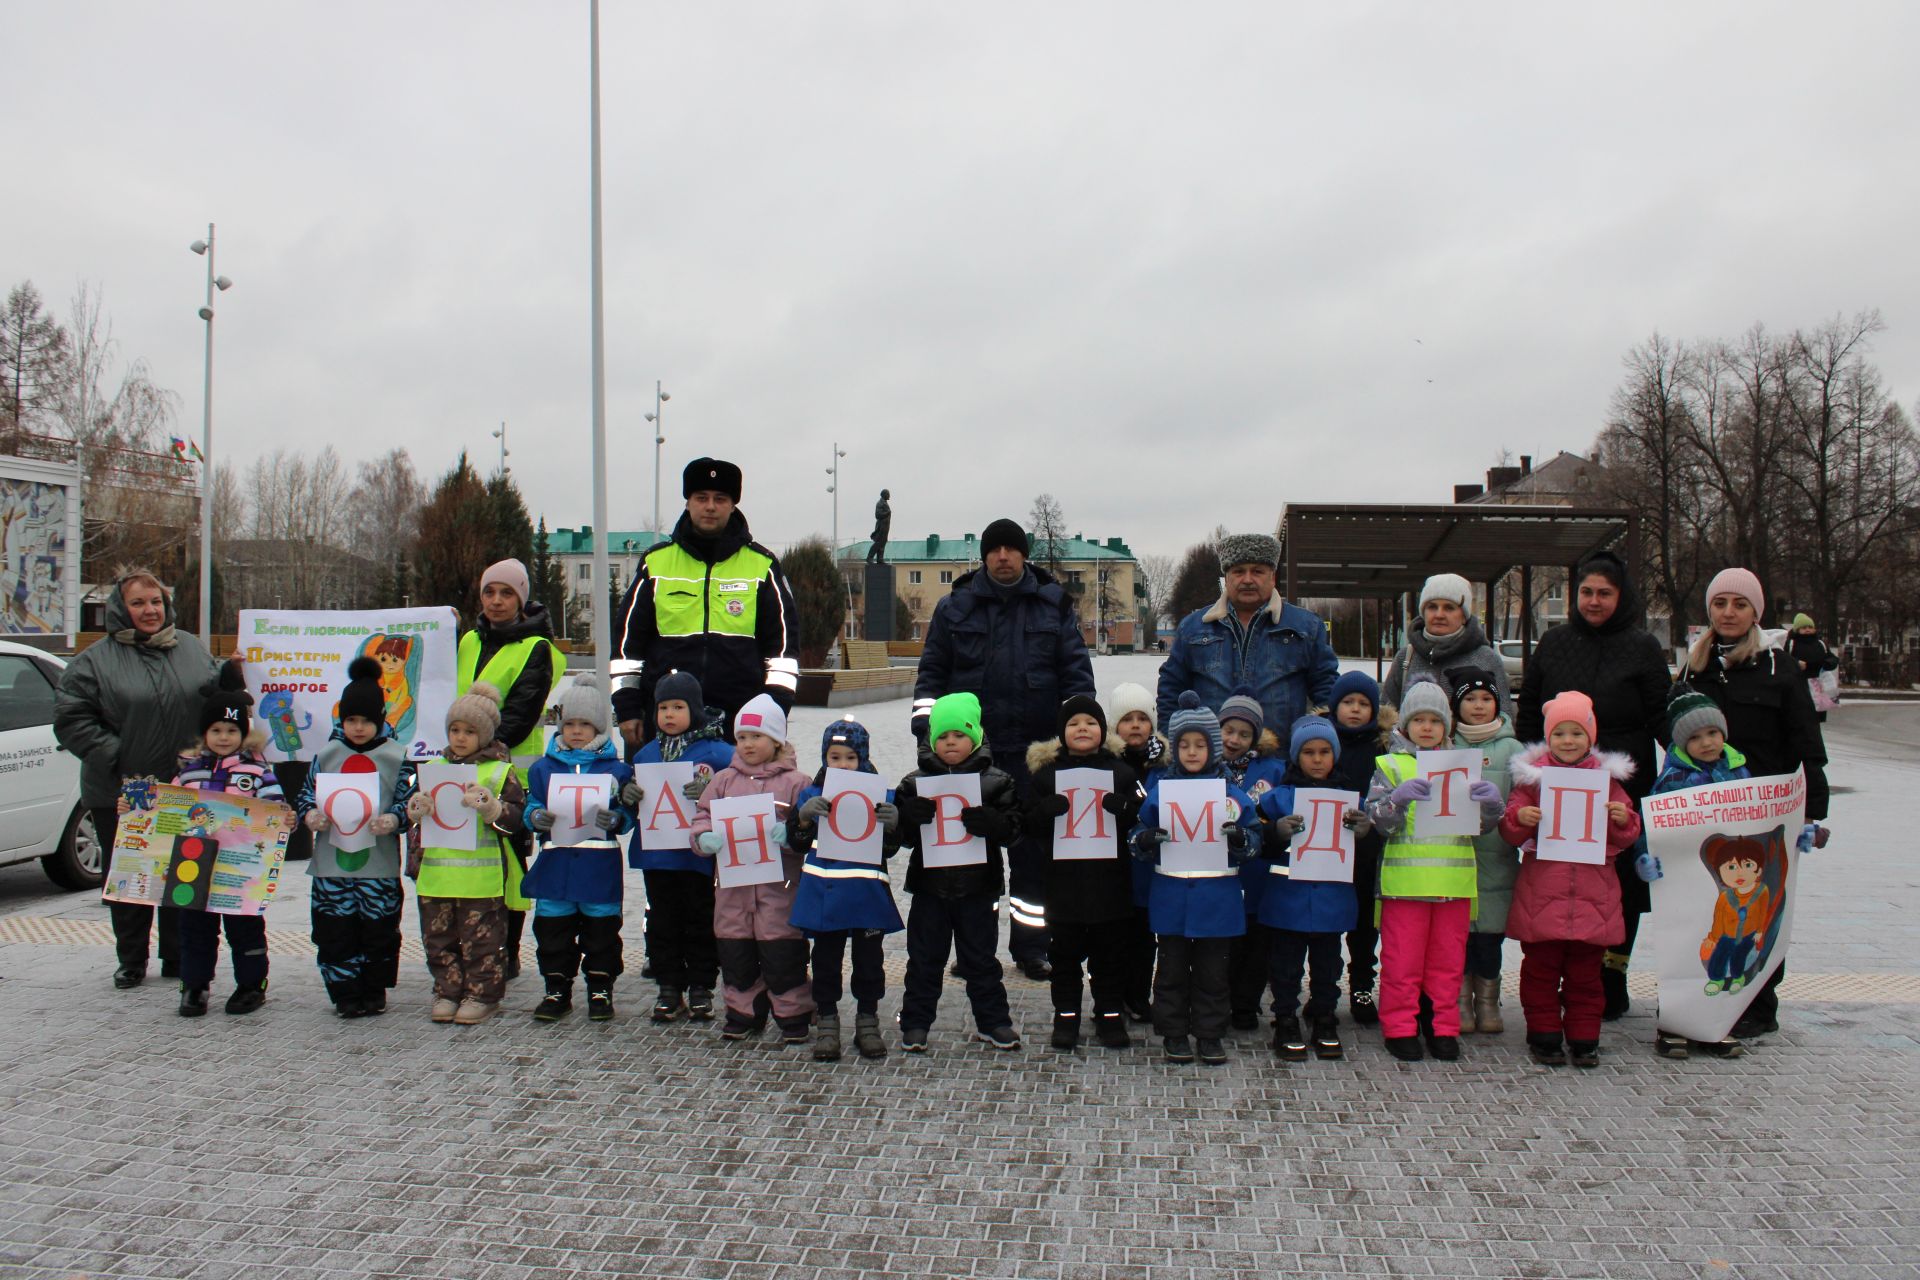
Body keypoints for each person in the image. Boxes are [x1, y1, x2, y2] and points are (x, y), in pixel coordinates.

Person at [913, 517, 1095, 980]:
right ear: (985, 557)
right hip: (973, 758)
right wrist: (925, 733)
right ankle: (977, 949)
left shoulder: (1053, 605)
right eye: (995, 549)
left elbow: (1076, 675)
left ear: (1024, 554)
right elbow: (932, 672)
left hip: (1036, 754)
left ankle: (1032, 947)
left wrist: (1078, 733)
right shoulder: (955, 608)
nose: (1003, 557)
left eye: (1012, 549)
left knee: (1033, 856)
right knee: (975, 857)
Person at [1671, 567, 1830, 1040]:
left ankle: (1759, 1004)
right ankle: (1706, 990)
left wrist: (1814, 809)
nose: (1729, 612)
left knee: (1763, 906)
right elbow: (1673, 733)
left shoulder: (1778, 668)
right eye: (1720, 603)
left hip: (1766, 810)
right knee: (1711, 908)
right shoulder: (1693, 667)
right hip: (1707, 811)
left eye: (1739, 604)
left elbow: (1807, 741)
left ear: (1755, 613)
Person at [1514, 549, 1671, 1020]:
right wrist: (1528, 767)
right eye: (1586, 592)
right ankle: (1559, 973)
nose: (1594, 601)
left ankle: (1611, 974)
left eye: (1605, 593)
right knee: (1561, 877)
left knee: (1619, 880)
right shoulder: (1555, 642)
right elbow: (1529, 710)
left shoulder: (1642, 646)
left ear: (1620, 597)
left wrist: (1696, 760)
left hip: (1621, 779)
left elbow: (1661, 711)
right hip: (1559, 782)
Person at [54, 568, 222, 988]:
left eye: (155, 602)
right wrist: (116, 755)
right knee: (129, 876)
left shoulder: (190, 648)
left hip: (183, 787)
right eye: (138, 603)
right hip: (120, 789)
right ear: (119, 609)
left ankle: (177, 955)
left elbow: (214, 700)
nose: (149, 611)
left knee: (181, 870)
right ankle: (131, 959)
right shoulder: (94, 661)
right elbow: (71, 718)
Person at [1499, 691, 1643, 1068]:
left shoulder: (1607, 781)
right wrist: (1521, 819)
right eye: (1559, 733)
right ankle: (1544, 1033)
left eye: (1576, 733)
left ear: (1591, 737)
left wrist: (1623, 820)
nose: (1567, 741)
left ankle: (1584, 1036)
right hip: (1543, 894)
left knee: (1586, 976)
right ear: (1548, 737)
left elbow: (1627, 834)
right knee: (1540, 972)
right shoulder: (1533, 780)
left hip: (1594, 897)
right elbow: (1510, 825)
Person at [613, 457, 801, 744]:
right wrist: (627, 707)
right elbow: (628, 646)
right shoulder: (656, 562)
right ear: (688, 502)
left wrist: (772, 711)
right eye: (701, 498)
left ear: (732, 505)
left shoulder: (762, 565)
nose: (710, 506)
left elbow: (783, 652)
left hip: (740, 724)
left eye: (720, 498)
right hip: (665, 718)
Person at [1364, 679, 1505, 1062]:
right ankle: (1400, 1028)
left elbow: (1481, 827)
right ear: (1405, 725)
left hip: (1453, 887)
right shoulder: (1389, 765)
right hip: (1404, 888)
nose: (1427, 728)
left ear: (1448, 726)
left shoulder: (1461, 767)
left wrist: (1492, 806)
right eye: (1419, 720)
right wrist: (1395, 800)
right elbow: (1377, 822)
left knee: (1447, 966)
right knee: (1402, 963)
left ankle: (1443, 1028)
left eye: (1435, 720)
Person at [151, 661, 286, 1017]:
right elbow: (166, 810)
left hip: (240, 869)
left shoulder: (257, 771)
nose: (224, 737)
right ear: (204, 732)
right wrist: (136, 810)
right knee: (194, 930)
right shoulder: (188, 769)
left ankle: (251, 985)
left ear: (243, 733)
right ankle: (194, 986)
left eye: (231, 729)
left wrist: (285, 816)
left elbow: (276, 809)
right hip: (193, 866)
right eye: (216, 729)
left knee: (245, 929)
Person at [1131, 692, 1260, 1067]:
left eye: (1199, 744)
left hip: (1216, 904)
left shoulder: (1232, 797)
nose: (1190, 752)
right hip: (1172, 900)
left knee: (1213, 975)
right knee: (1170, 971)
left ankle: (1209, 1033)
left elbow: (1253, 840)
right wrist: (1144, 840)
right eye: (1183, 744)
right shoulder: (1159, 793)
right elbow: (1138, 834)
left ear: (1213, 749)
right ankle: (1173, 1032)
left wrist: (1240, 840)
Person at [892, 692, 1023, 1053]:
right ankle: (916, 1022)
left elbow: (1014, 830)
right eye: (943, 736)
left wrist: (993, 823)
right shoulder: (913, 784)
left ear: (976, 737)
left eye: (960, 735)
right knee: (924, 959)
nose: (951, 742)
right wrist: (908, 819)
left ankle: (994, 1021)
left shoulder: (997, 781)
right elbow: (897, 839)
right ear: (932, 740)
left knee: (981, 960)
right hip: (930, 889)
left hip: (977, 889)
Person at [456, 558, 566, 981]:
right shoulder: (467, 640)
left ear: (522, 599)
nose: (497, 601)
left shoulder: (537, 649)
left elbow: (519, 715)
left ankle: (507, 949)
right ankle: (470, 941)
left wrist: (467, 740)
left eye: (507, 593)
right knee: (466, 859)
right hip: (461, 766)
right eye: (489, 592)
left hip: (511, 772)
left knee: (509, 863)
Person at [688, 694, 813, 1044]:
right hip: (732, 893)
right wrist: (703, 838)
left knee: (783, 957)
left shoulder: (797, 783)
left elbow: (808, 829)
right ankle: (744, 1012)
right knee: (736, 956)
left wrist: (790, 835)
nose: (747, 744)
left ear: (775, 740)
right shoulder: (723, 781)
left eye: (756, 737)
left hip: (780, 893)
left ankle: (793, 1014)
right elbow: (702, 817)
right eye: (741, 737)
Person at [293, 657, 413, 1018]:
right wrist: (310, 814)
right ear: (341, 720)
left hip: (378, 867)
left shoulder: (397, 757)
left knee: (378, 929)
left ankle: (374, 988)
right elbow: (305, 795)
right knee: (335, 931)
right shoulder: (327, 755)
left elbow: (412, 801)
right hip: (332, 867)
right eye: (351, 720)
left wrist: (394, 819)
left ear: (380, 720)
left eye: (366, 721)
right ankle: (344, 990)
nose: (358, 728)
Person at [1021, 695, 1141, 1052]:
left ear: (1103, 732)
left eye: (1090, 723)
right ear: (1061, 733)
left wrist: (1125, 809)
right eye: (1073, 724)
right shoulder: (1046, 776)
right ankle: (1067, 1015)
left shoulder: (1121, 772)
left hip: (1110, 883)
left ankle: (1109, 1014)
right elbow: (1027, 823)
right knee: (1065, 956)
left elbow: (1143, 813)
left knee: (1109, 956)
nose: (1082, 729)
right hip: (1063, 884)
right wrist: (1044, 811)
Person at [404, 682, 526, 1025]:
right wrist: (416, 810)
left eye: (469, 731)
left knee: (481, 942)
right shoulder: (432, 767)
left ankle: (482, 995)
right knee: (438, 939)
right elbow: (410, 813)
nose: (459, 737)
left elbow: (516, 821)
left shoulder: (500, 771)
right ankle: (447, 991)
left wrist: (492, 809)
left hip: (480, 879)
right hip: (436, 875)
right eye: (455, 730)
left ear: (485, 735)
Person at [789, 716, 904, 1061]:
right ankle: (827, 1021)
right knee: (825, 960)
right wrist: (804, 818)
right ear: (825, 757)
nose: (842, 764)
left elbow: (889, 849)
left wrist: (894, 827)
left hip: (867, 894)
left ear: (863, 758)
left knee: (870, 961)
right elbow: (797, 842)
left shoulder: (880, 794)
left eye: (850, 757)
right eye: (835, 757)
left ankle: (866, 1020)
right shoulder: (812, 793)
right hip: (825, 894)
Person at [1645, 689, 1751, 1060]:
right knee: (1685, 952)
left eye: (1712, 733)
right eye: (1694, 737)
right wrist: (1646, 855)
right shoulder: (1674, 779)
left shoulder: (1740, 771)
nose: (1706, 743)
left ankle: (1718, 1025)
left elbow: (1759, 818)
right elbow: (1655, 826)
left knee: (1729, 949)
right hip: (1685, 884)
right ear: (1680, 742)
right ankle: (1673, 1025)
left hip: (1730, 886)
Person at [522, 674, 635, 1023]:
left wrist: (616, 820)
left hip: (598, 868)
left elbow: (628, 815)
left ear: (599, 727)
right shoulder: (542, 768)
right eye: (568, 723)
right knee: (552, 931)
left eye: (584, 724)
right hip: (555, 866)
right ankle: (556, 988)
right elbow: (531, 805)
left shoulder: (617, 770)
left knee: (601, 932)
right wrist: (535, 816)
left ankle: (600, 988)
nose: (575, 730)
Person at [1257, 716, 1369, 1063]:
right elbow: (1257, 846)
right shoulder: (1277, 799)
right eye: (1308, 752)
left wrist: (1365, 832)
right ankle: (1286, 1018)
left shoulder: (1351, 802)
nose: (1317, 759)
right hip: (1286, 900)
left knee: (1328, 966)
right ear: (1296, 757)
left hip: (1331, 902)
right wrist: (1275, 832)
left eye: (1324, 752)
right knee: (1286, 967)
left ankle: (1323, 1016)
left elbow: (1362, 854)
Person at [625, 670, 733, 1023]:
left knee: (701, 919)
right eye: (662, 707)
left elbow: (739, 798)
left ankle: (701, 985)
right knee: (661, 922)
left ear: (696, 709)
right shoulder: (645, 756)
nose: (668, 715)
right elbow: (632, 803)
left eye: (678, 706)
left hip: (699, 858)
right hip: (659, 857)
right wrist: (628, 796)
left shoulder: (720, 754)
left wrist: (712, 795)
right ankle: (669, 986)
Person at [1157, 533, 1339, 740]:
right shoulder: (1193, 628)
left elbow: (1327, 689)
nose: (1247, 580)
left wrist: (1321, 744)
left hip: (1282, 764)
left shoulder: (1307, 627)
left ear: (1273, 576)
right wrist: (1170, 746)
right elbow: (1170, 690)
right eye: (1238, 571)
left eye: (1258, 571)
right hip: (1211, 764)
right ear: (1226, 578)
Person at [1448, 667, 1523, 1035]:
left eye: (1486, 698)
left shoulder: (1513, 749)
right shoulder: (1446, 746)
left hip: (1498, 860)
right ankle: (1461, 1002)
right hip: (1455, 859)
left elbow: (1526, 797)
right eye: (1470, 699)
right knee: (1458, 938)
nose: (1478, 706)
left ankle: (1489, 1002)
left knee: (1491, 938)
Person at [1325, 671, 1392, 1027]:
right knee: (1329, 922)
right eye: (1348, 703)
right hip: (1327, 850)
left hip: (1367, 850)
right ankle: (1327, 988)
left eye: (1363, 704)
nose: (1354, 710)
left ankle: (1363, 985)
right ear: (1335, 706)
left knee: (1366, 925)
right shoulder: (1322, 742)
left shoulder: (1383, 747)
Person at [1217, 686, 1285, 1031]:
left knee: (1256, 945)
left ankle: (1247, 1003)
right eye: (1228, 730)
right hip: (1220, 873)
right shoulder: (1207, 768)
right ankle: (1220, 999)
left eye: (1244, 734)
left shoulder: (1272, 770)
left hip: (1258, 873)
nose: (1234, 739)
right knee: (1223, 945)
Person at [1106, 681, 1164, 1024]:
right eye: (1127, 719)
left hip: (1149, 872)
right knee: (1114, 939)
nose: (1136, 725)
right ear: (1115, 726)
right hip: (1112, 869)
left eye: (1143, 718)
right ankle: (1112, 997)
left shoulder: (1163, 766)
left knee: (1145, 939)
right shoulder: (1104, 765)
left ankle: (1139, 997)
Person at [1382, 573, 1510, 715]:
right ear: (1423, 612)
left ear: (1464, 616)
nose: (1439, 615)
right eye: (1432, 607)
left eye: (1449, 608)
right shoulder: (1406, 657)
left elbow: (1504, 719)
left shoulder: (1487, 659)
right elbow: (1386, 716)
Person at [1787, 612, 1840, 721]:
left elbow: (1832, 659)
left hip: (1819, 685)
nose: (1807, 630)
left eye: (1810, 627)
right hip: (1799, 684)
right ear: (1797, 630)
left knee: (1816, 718)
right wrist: (1796, 663)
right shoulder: (1791, 644)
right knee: (1800, 716)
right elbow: (1784, 659)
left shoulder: (1820, 644)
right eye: (1804, 627)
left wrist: (1827, 664)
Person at [867, 489, 892, 563]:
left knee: (883, 542)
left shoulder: (884, 502)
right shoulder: (880, 503)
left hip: (885, 526)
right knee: (878, 542)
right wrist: (887, 513)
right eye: (888, 494)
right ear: (884, 494)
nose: (889, 495)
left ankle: (880, 559)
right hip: (881, 526)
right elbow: (877, 515)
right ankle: (869, 557)